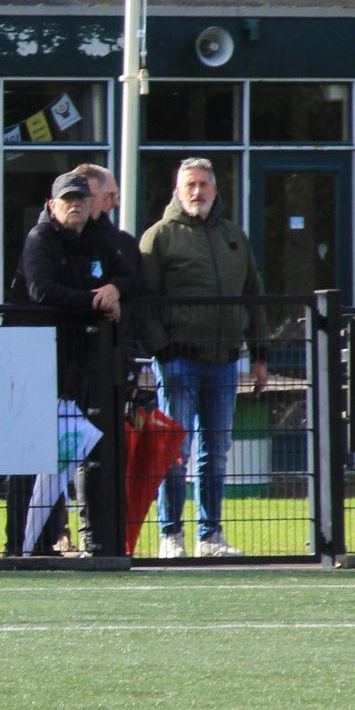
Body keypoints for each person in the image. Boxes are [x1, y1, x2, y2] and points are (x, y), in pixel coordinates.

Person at [138, 156, 268, 559]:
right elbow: (144, 301)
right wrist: (162, 348)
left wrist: (259, 354)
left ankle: (210, 536)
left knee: (216, 449)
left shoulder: (234, 237)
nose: (198, 191)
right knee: (174, 449)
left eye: (204, 184)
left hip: (225, 360)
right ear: (177, 190)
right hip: (178, 360)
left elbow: (254, 296)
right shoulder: (159, 237)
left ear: (216, 189)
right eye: (190, 184)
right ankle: (170, 535)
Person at [23, 169, 144, 558]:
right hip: (44, 361)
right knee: (42, 453)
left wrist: (114, 288)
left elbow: (132, 276)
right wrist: (95, 301)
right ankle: (33, 543)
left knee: (90, 450)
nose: (75, 206)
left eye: (81, 200)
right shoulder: (40, 239)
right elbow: (41, 290)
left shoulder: (97, 239)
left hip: (87, 362)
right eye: (67, 200)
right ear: (52, 205)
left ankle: (96, 539)